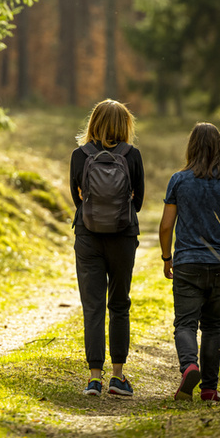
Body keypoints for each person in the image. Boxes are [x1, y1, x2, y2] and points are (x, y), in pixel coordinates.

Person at [158, 122, 220, 402]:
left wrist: (167, 257)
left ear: (191, 147)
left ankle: (190, 366)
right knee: (213, 326)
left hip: (187, 262)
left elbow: (166, 226)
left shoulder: (179, 180)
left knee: (185, 324)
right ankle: (209, 390)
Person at [70, 99, 145, 397]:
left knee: (93, 306)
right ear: (126, 125)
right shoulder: (132, 155)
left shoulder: (80, 154)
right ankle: (118, 377)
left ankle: (93, 378)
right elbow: (137, 202)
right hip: (123, 236)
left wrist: (93, 215)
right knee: (119, 304)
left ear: (93, 123)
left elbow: (76, 199)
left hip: (88, 236)